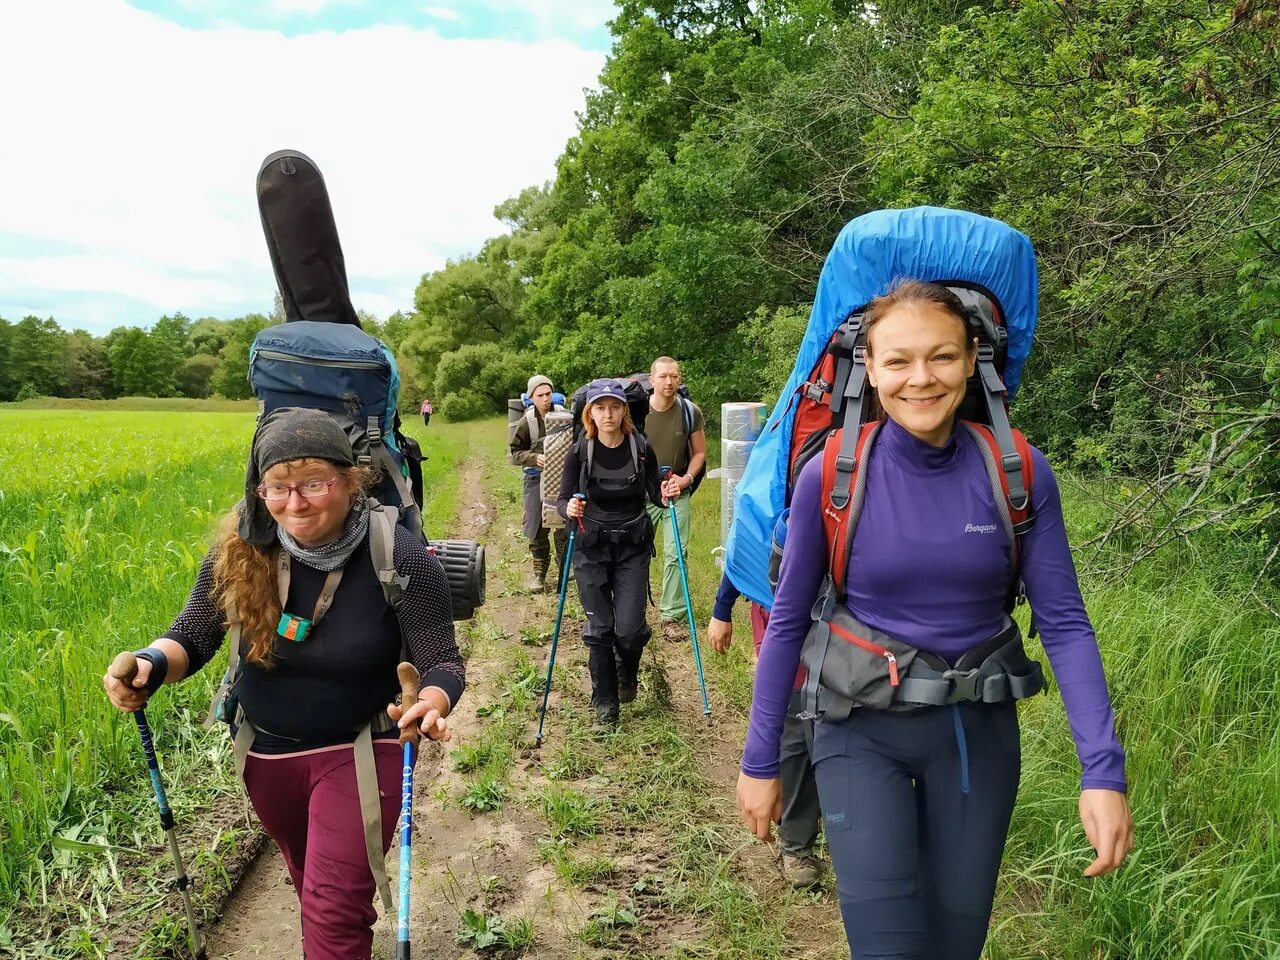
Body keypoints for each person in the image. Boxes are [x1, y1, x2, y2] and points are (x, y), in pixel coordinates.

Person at [735, 280, 1133, 960]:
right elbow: (788, 620)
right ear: (869, 367)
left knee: (955, 948)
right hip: (857, 733)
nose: (921, 378)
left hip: (975, 738)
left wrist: (1103, 772)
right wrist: (760, 759)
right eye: (898, 361)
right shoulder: (831, 474)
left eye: (942, 357)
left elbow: (1064, 623)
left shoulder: (1019, 473)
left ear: (972, 358)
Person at [102, 408, 464, 960]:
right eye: (277, 487)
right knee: (309, 881)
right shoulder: (238, 553)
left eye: (313, 484)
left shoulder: (401, 557)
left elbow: (443, 661)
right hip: (266, 755)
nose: (294, 504)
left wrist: (431, 702)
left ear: (351, 480)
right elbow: (192, 635)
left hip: (362, 749)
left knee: (336, 908)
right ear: (260, 489)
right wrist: (151, 664)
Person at [557, 378, 679, 725]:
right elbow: (563, 499)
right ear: (589, 413)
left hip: (632, 548)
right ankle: (604, 702)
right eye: (600, 408)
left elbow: (656, 492)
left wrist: (667, 490)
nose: (607, 414)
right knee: (599, 629)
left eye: (614, 407)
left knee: (629, 630)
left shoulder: (641, 447)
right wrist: (568, 509)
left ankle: (628, 668)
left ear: (624, 410)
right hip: (590, 548)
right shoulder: (580, 451)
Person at [708, 573, 822, 888]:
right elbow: (744, 543)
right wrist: (722, 607)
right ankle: (796, 846)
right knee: (797, 719)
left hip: (840, 610)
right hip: (781, 611)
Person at [643, 357, 706, 642]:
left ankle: (671, 616)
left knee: (676, 554)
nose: (669, 382)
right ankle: (632, 611)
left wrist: (686, 479)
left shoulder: (690, 412)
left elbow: (700, 453)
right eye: (664, 376)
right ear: (651, 380)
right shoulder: (635, 410)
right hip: (642, 493)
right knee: (635, 552)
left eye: (675, 376)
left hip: (676, 490)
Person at [510, 374, 569, 593]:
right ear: (532, 397)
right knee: (536, 527)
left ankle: (564, 573)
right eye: (540, 395)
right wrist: (534, 458)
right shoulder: (527, 422)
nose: (545, 399)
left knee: (563, 524)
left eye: (548, 394)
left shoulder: (565, 416)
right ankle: (539, 576)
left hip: (562, 477)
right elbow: (514, 453)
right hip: (535, 477)